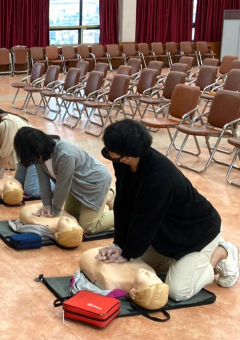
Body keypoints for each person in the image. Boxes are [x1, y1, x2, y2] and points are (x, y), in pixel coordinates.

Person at [99, 119, 239, 301]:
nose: (108, 154)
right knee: (134, 262)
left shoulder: (159, 176)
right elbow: (123, 201)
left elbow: (144, 218)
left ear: (126, 157)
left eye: (111, 152)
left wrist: (127, 252)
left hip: (198, 232)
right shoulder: (123, 162)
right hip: (169, 230)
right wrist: (119, 243)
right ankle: (183, 263)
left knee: (177, 292)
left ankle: (221, 252)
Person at [14, 127, 114, 234]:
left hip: (95, 183)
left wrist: (55, 210)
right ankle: (107, 197)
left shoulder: (65, 155)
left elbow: (63, 185)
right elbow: (43, 180)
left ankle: (124, 212)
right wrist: (47, 205)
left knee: (87, 227)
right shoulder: (39, 156)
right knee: (73, 218)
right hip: (76, 185)